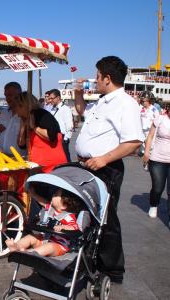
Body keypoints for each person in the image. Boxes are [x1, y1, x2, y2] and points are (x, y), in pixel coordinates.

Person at [74, 56, 144, 284]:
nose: (94, 80)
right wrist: (77, 92)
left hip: (106, 169)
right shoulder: (103, 101)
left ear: (108, 78)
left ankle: (113, 269)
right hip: (88, 165)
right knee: (88, 215)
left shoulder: (126, 103)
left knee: (106, 218)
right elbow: (81, 110)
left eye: (97, 76)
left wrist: (104, 159)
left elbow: (133, 142)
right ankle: (89, 259)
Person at [6, 187, 81, 256]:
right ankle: (16, 247)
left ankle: (27, 254)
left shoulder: (68, 216)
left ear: (63, 206)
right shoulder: (51, 209)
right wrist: (34, 195)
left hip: (59, 246)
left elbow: (75, 227)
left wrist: (63, 227)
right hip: (45, 239)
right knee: (30, 237)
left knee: (49, 247)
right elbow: (43, 202)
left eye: (56, 195)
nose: (53, 195)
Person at [17, 92, 67, 173]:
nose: (16, 110)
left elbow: (51, 136)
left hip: (52, 167)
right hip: (38, 166)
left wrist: (34, 127)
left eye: (17, 107)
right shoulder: (25, 119)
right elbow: (21, 144)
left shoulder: (41, 114)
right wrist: (23, 126)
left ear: (24, 105)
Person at [142, 103, 170, 221]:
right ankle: (154, 204)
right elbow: (150, 136)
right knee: (158, 188)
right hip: (158, 159)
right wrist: (146, 153)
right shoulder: (160, 119)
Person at [0, 82, 25, 156]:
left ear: (19, 95)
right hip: (3, 155)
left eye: (10, 95)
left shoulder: (26, 114)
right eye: (6, 95)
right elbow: (1, 129)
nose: (7, 98)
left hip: (21, 157)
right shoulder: (4, 113)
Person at [48, 89, 74, 162]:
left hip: (62, 138)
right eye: (49, 98)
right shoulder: (52, 109)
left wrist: (65, 139)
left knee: (65, 158)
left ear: (58, 97)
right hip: (54, 137)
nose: (50, 100)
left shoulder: (65, 109)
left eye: (52, 98)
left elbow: (69, 126)